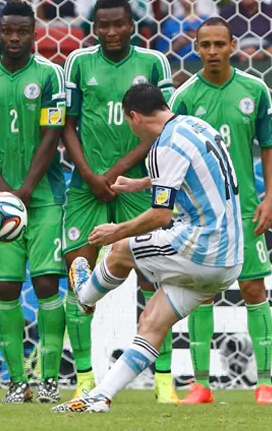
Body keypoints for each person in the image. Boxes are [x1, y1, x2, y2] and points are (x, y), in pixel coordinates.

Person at [52, 82, 244, 414]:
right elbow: (192, 173)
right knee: (152, 323)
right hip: (229, 261)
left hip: (201, 248)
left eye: (128, 122)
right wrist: (141, 183)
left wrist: (116, 231)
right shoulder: (195, 126)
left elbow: (160, 215)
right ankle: (100, 397)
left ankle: (85, 297)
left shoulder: (163, 146)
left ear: (135, 117)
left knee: (122, 249)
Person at [62, 0, 175, 404]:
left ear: (133, 25)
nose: (111, 32)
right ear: (94, 27)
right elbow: (66, 125)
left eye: (118, 24)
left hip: (138, 181)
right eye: (103, 25)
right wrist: (91, 174)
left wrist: (115, 172)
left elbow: (163, 127)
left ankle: (163, 380)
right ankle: (84, 378)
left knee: (154, 277)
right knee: (78, 269)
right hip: (85, 184)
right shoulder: (77, 62)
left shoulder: (154, 63)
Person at [170, 17, 272, 405]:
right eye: (206, 45)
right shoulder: (183, 97)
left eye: (220, 44)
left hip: (246, 210)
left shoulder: (255, 90)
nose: (213, 51)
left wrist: (269, 198)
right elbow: (171, 151)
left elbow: (270, 145)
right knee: (201, 293)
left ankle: (265, 383)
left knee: (253, 288)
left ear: (233, 45)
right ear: (196, 48)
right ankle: (201, 385)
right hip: (200, 214)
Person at [0, 1, 66, 404]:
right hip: (1, 202)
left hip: (44, 199)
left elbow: (52, 135)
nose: (15, 38)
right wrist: (3, 189)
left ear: (34, 33)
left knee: (45, 283)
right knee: (5, 287)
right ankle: (17, 381)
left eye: (22, 31)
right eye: (8, 30)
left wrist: (25, 189)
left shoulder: (50, 75)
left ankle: (50, 379)